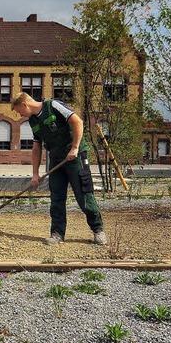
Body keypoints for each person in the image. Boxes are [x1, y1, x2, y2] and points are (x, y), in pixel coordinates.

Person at [11, 93, 107, 246]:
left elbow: (78, 122)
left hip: (75, 157)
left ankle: (98, 230)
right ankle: (57, 233)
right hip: (56, 160)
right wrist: (35, 174)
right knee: (56, 197)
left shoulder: (53, 106)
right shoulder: (33, 120)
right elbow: (36, 147)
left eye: (18, 110)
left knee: (84, 194)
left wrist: (75, 148)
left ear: (25, 104)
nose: (19, 114)